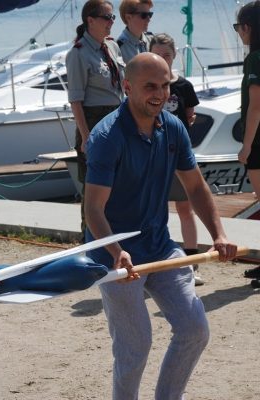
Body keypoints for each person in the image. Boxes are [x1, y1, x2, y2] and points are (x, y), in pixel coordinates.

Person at [84, 53, 238, 400]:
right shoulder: (107, 137)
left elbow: (195, 187)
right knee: (135, 347)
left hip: (159, 246)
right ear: (127, 87)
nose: (160, 94)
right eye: (150, 86)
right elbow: (93, 209)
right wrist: (116, 251)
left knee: (194, 329)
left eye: (165, 85)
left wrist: (218, 234)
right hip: (114, 257)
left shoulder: (173, 127)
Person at [66, 0, 125, 238]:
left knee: (118, 182)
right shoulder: (78, 53)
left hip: (117, 118)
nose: (111, 22)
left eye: (113, 18)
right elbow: (76, 100)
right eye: (106, 18)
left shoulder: (112, 47)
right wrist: (85, 136)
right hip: (94, 120)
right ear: (90, 20)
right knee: (93, 186)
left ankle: (115, 235)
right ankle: (88, 238)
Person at [149, 33, 204, 286]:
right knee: (153, 210)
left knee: (185, 209)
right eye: (157, 55)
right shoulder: (145, 86)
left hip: (178, 155)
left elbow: (189, 116)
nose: (163, 59)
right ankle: (154, 263)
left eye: (167, 55)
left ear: (174, 56)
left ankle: (191, 264)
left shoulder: (183, 86)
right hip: (152, 155)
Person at [234, 1, 260, 283]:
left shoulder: (255, 59)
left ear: (248, 27)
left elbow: (255, 106)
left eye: (238, 27)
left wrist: (247, 145)